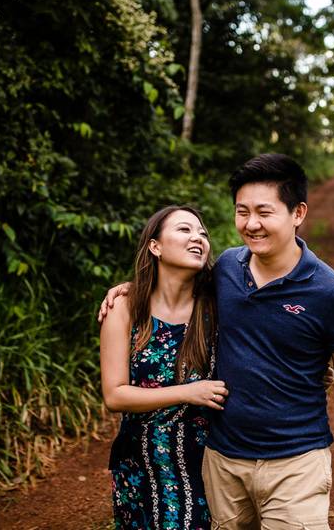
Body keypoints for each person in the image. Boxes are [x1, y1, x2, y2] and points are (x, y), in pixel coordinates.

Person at [100, 154, 334, 528]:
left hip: (295, 461)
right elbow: (176, 284)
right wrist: (131, 288)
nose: (251, 224)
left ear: (297, 213)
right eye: (241, 212)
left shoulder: (330, 293)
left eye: (264, 212)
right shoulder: (227, 270)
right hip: (223, 461)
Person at [100, 206, 229, 529]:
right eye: (185, 230)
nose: (198, 238)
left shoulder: (218, 304)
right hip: (139, 459)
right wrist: (189, 392)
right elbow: (115, 395)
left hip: (203, 458)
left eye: (202, 233)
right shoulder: (127, 308)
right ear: (155, 247)